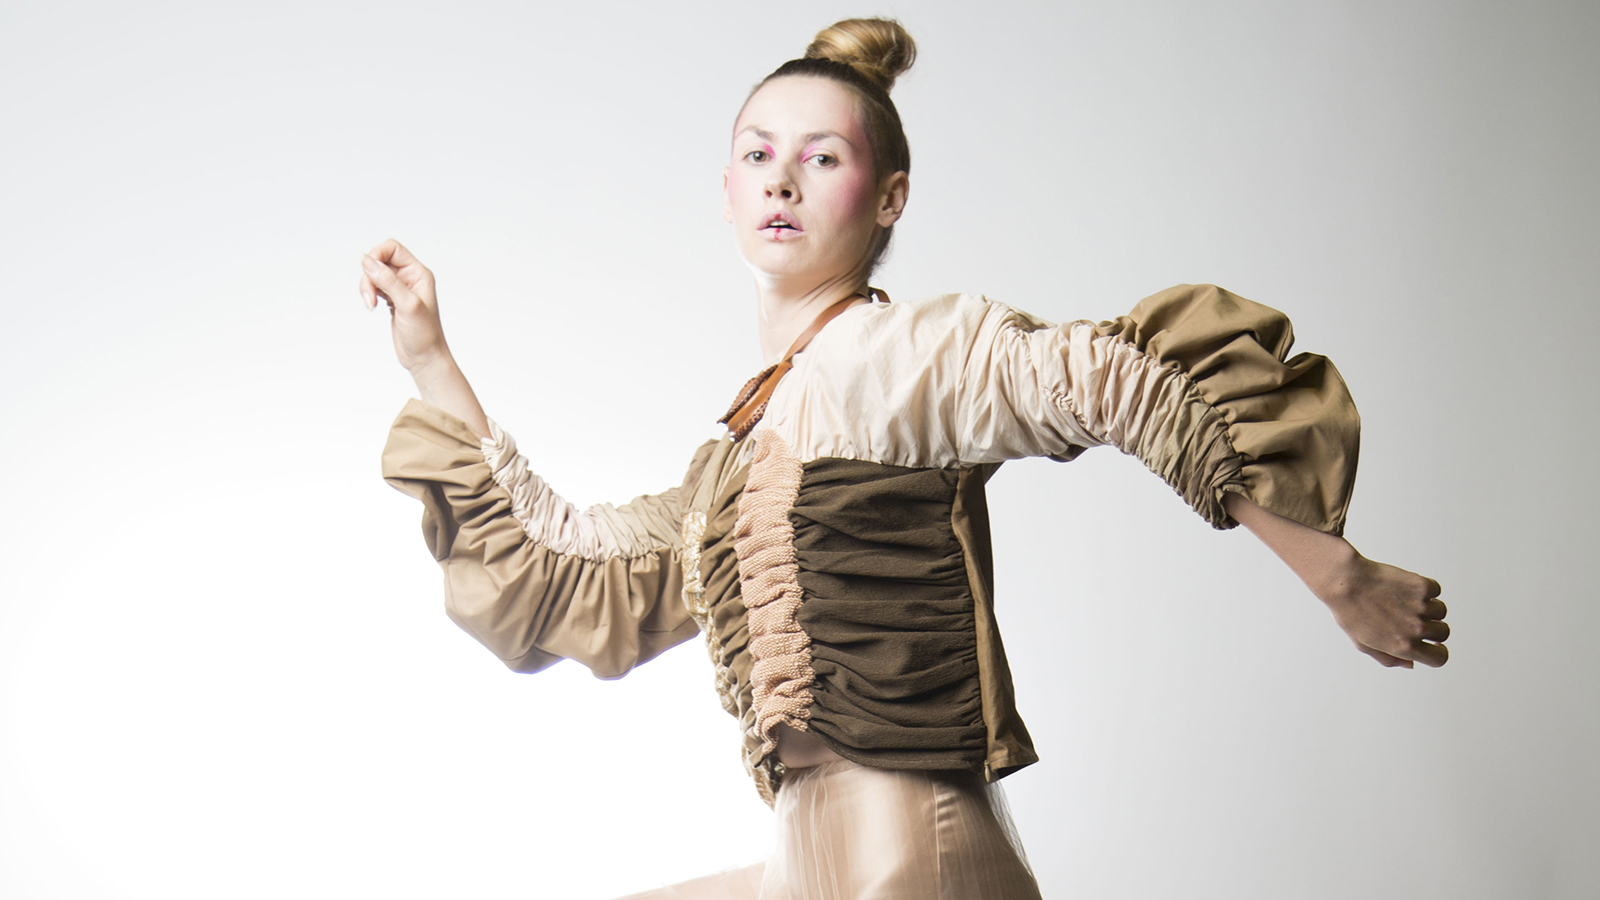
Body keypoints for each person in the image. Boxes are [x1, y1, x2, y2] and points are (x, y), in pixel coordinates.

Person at [358, 17, 1449, 900]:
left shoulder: (905, 356)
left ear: (888, 197)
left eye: (822, 157)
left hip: (907, 854)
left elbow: (1118, 380)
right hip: (807, 859)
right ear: (726, 189)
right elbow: (570, 564)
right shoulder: (734, 462)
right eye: (759, 155)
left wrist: (1334, 570)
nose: (782, 181)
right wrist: (431, 357)